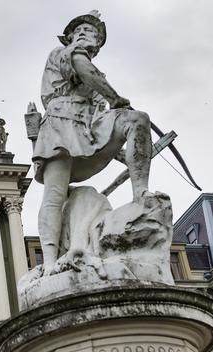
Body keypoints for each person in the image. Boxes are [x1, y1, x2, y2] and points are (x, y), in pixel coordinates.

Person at [32, 10, 153, 275]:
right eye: (82, 31)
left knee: (137, 120)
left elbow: (101, 112)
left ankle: (141, 194)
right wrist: (115, 97)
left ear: (98, 45)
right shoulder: (63, 53)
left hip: (89, 127)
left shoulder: (96, 77)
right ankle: (50, 261)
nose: (88, 36)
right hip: (60, 122)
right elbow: (84, 70)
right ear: (70, 37)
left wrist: (123, 152)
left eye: (94, 35)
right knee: (54, 193)